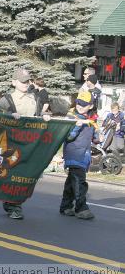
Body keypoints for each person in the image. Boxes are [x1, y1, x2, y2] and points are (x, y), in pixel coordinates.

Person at [0, 68, 50, 219]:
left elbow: (38, 115)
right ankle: (13, 205)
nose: (26, 83)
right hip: (11, 145)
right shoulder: (6, 100)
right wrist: (9, 115)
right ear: (14, 82)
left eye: (27, 80)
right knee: (14, 175)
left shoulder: (34, 98)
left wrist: (44, 116)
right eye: (22, 81)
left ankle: (14, 202)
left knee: (25, 175)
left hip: (29, 144)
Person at [60, 92, 99, 220]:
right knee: (79, 182)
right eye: (78, 103)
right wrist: (77, 126)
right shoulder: (72, 117)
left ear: (90, 105)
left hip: (84, 154)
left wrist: (98, 137)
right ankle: (81, 208)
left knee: (72, 181)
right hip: (74, 153)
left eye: (83, 104)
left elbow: (94, 136)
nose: (80, 106)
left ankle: (65, 206)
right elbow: (68, 137)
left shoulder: (91, 118)